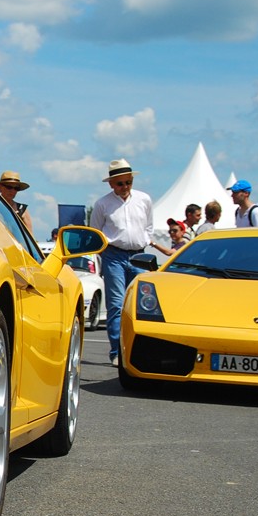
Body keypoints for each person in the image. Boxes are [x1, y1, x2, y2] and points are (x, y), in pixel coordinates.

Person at [90, 158, 153, 368]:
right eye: (120, 183)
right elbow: (96, 233)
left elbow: (149, 227)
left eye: (128, 182)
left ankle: (139, 351)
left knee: (141, 305)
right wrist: (104, 255)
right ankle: (117, 351)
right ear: (111, 184)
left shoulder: (144, 199)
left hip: (139, 256)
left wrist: (144, 240)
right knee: (116, 305)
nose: (125, 187)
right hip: (114, 256)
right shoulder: (102, 204)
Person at [0, 170, 34, 236]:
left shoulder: (22, 209)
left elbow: (30, 235)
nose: (12, 191)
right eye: (9, 187)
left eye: (16, 188)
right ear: (0, 187)